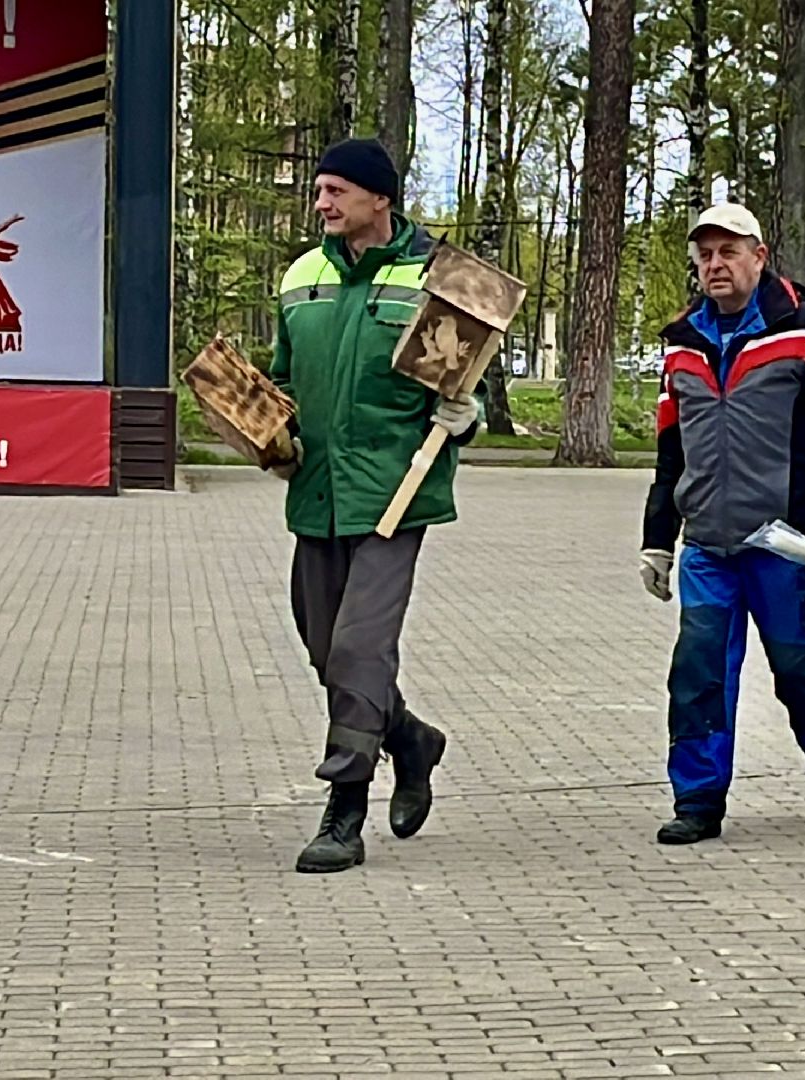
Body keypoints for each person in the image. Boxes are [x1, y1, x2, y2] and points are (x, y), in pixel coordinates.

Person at [267, 138, 481, 873]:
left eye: (336, 190)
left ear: (379, 198)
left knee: (360, 648)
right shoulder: (303, 276)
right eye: (319, 190)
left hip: (396, 494)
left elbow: (463, 380)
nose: (321, 203)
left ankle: (344, 809)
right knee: (327, 650)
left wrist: (467, 416)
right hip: (316, 495)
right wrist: (270, 433)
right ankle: (412, 740)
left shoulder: (438, 278)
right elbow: (283, 381)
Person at [640, 203, 805, 846]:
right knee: (698, 672)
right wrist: (657, 541)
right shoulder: (682, 342)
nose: (715, 265)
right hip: (707, 546)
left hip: (786, 543)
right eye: (705, 255)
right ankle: (697, 799)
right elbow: (671, 450)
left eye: (729, 252)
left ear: (759, 257)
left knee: (798, 670)